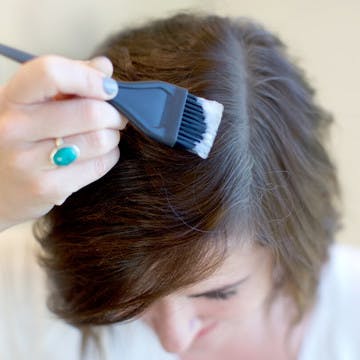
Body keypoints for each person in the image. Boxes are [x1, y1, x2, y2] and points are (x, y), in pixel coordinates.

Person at [0, 12, 359, 360]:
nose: (174, 340)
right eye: (135, 296)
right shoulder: (27, 292)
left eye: (220, 294)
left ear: (291, 244)